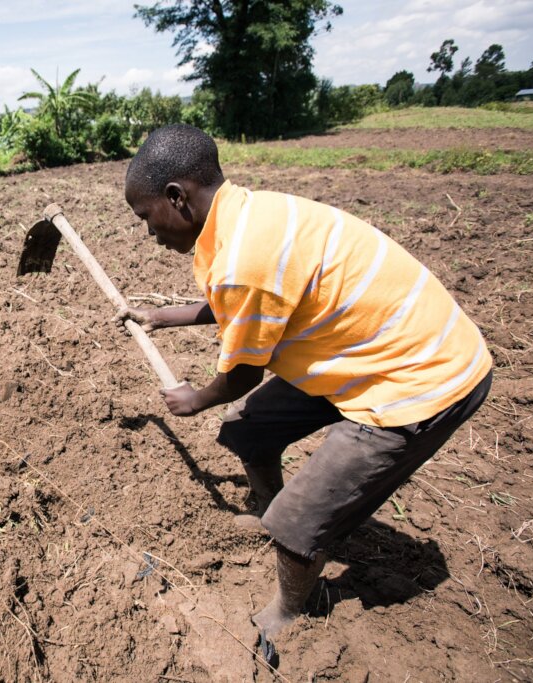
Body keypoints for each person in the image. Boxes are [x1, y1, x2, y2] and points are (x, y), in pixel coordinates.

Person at [115, 124, 492, 643]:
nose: (149, 233)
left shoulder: (244, 258)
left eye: (146, 218)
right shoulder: (248, 213)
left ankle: (289, 609)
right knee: (249, 431)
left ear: (177, 198)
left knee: (299, 522)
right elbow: (246, 297)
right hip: (365, 350)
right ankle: (268, 506)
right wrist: (164, 315)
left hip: (420, 378)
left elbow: (241, 374)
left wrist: (195, 398)